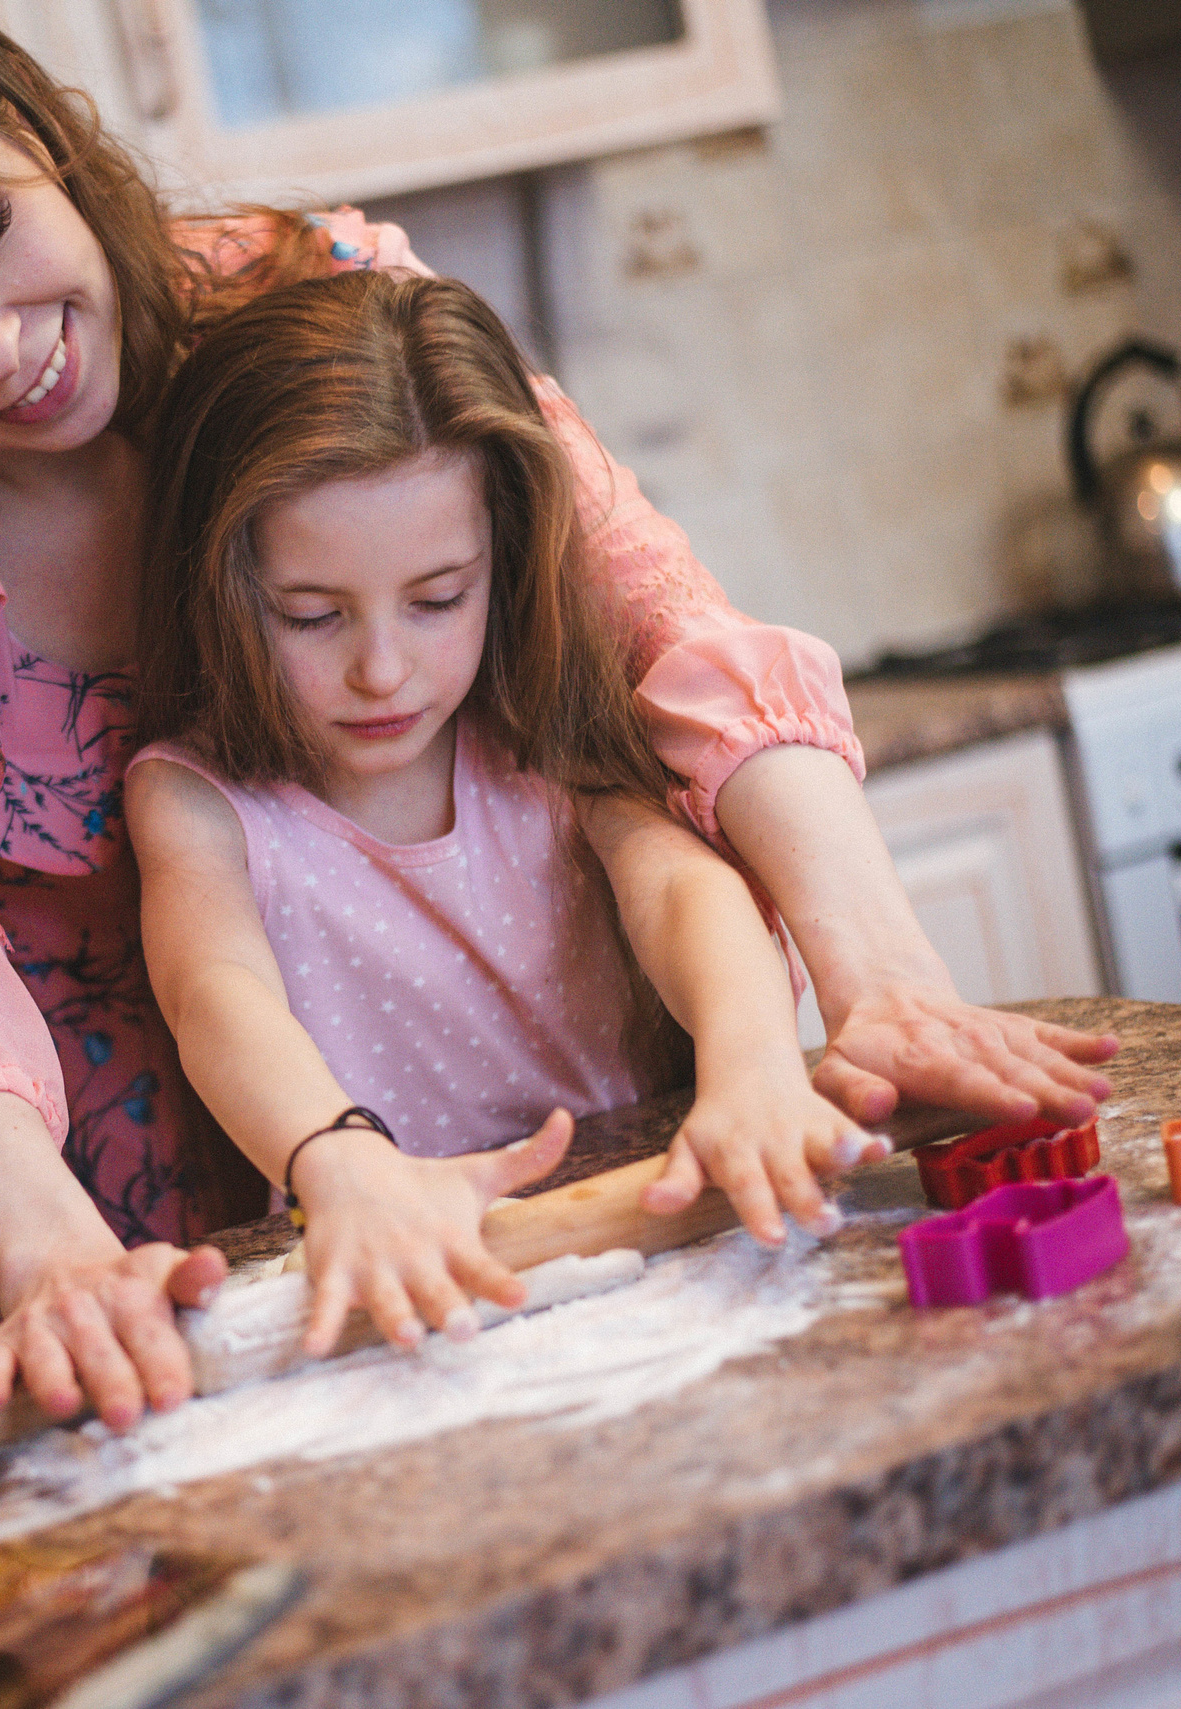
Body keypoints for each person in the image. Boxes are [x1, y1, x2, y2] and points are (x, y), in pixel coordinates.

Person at [0, 0, 1119, 1433]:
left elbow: (658, 621)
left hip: (345, 1162)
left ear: (31, 127)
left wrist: (879, 976)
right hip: (5, 1195)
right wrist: (54, 1253)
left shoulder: (312, 302)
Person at [130, 269, 899, 1355]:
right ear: (218, 584)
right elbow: (215, 990)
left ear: (505, 558)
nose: (381, 669)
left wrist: (755, 1068)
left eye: (438, 599)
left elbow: (682, 890)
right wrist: (341, 1162)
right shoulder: (198, 802)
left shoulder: (542, 726)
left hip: (668, 1227)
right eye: (310, 615)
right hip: (402, 1279)